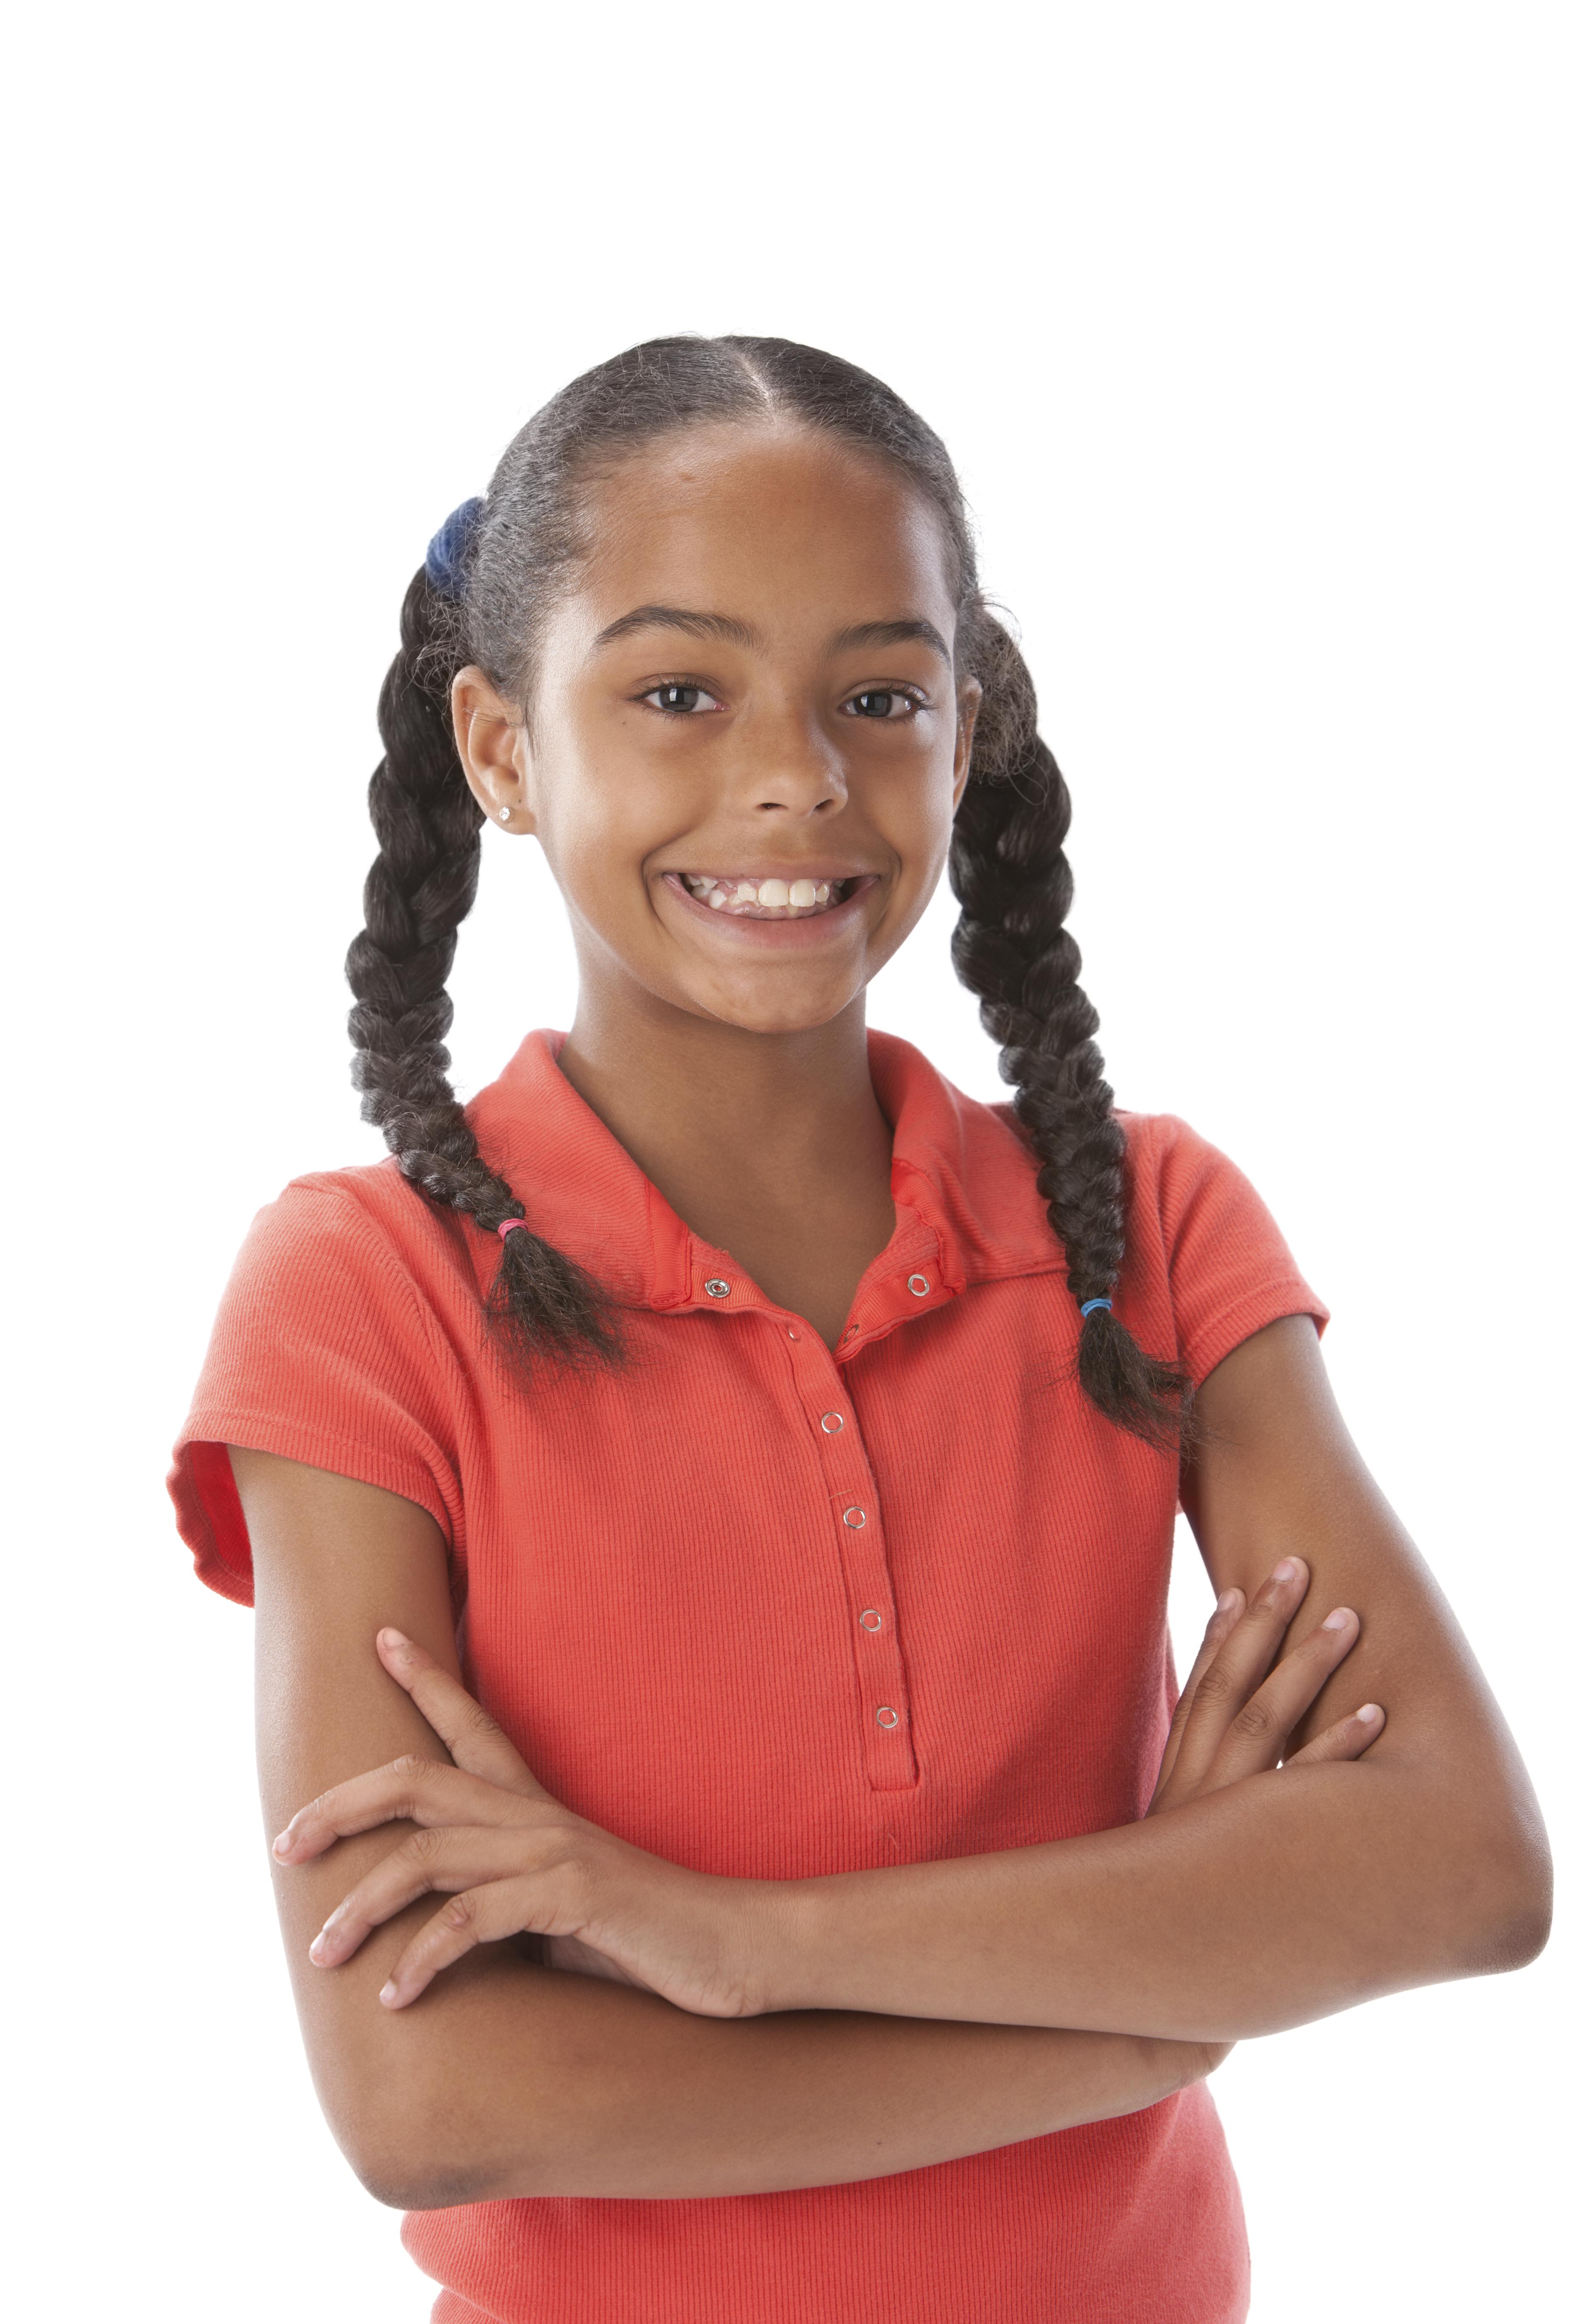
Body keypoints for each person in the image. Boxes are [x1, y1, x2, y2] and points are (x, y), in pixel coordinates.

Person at [169, 336, 1549, 2324]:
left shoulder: (1145, 1234)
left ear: (966, 729)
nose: (797, 777)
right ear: (499, 750)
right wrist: (1148, 2015)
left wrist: (729, 1942)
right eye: (676, 691)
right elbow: (435, 2090)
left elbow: (1459, 1872)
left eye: (880, 695)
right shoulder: (365, 1294)